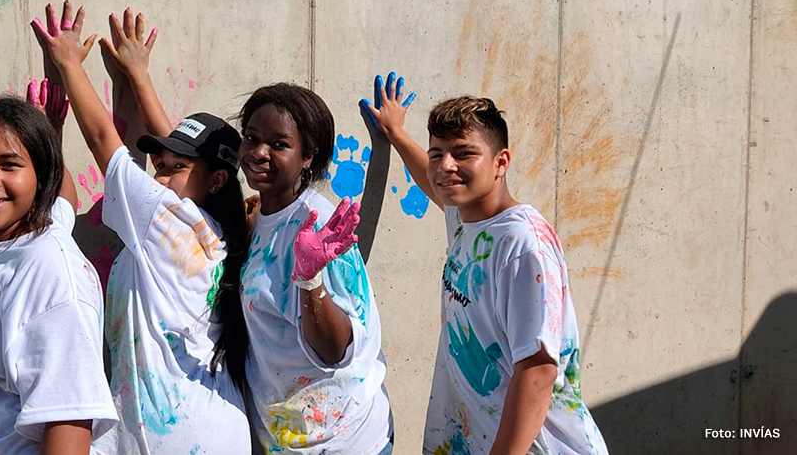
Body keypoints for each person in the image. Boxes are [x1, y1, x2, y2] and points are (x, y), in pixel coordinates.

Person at [33, 0, 252, 454]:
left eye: (175, 168)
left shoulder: (166, 221)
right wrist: (138, 77)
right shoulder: (211, 230)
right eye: (159, 165)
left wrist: (69, 63)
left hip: (171, 437)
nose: (159, 175)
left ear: (215, 180)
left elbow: (102, 140)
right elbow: (180, 155)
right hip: (206, 430)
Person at [362, 73, 608, 454]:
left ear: (500, 162)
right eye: (436, 153)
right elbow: (436, 186)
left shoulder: (523, 245)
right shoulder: (467, 217)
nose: (446, 166)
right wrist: (396, 134)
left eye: (463, 153)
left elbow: (539, 369)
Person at [0, 94, 116, 454]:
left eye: (9, 165)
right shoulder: (18, 232)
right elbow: (65, 200)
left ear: (41, 177)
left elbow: (70, 422)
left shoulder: (50, 277)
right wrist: (50, 127)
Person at [237, 83, 393, 454]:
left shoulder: (319, 226)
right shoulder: (259, 216)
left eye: (279, 144)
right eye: (251, 138)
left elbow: (335, 351)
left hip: (343, 441)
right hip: (287, 438)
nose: (259, 152)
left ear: (307, 156)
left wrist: (310, 280)